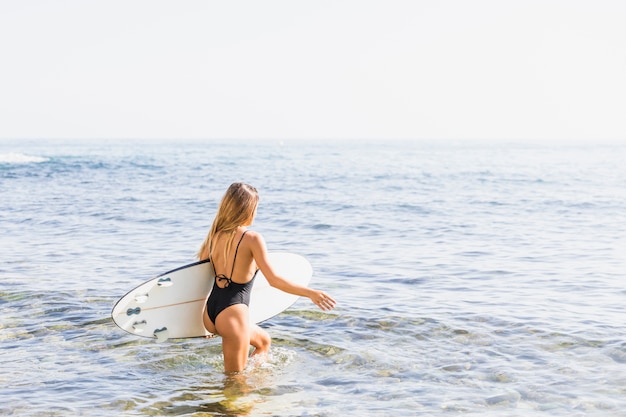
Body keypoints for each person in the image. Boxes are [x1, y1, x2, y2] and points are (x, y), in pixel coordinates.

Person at [198, 182, 336, 374]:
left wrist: (205, 325)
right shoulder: (252, 238)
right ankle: (238, 399)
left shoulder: (214, 236)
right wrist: (310, 293)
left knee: (263, 342)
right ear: (248, 208)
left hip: (210, 314)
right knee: (234, 381)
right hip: (232, 313)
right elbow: (274, 280)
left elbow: (199, 278)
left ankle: (259, 386)